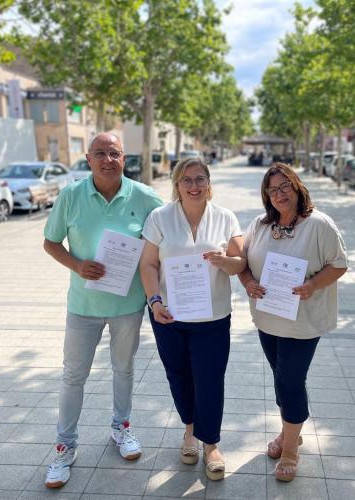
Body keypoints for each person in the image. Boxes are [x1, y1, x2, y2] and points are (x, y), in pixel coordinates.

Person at [42, 133, 163, 488]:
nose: (107, 160)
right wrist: (77, 265)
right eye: (100, 153)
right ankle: (64, 446)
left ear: (124, 158)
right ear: (88, 159)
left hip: (128, 305)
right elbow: (51, 242)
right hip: (84, 306)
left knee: (123, 369)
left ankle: (121, 428)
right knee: (73, 376)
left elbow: (168, 235)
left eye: (114, 153)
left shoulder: (145, 197)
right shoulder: (71, 195)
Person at [239, 163, 347, 482]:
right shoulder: (260, 225)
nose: (280, 193)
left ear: (297, 186)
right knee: (281, 379)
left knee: (290, 381)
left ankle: (290, 449)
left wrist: (313, 285)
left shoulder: (319, 224)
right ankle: (290, 433)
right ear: (266, 195)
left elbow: (339, 264)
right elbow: (242, 263)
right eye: (272, 189)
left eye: (285, 186)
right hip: (268, 318)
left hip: (303, 323)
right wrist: (248, 283)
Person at [140, 157, 246, 480]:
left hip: (212, 318)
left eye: (200, 179)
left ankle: (211, 443)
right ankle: (190, 430)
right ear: (177, 184)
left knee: (210, 379)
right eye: (186, 180)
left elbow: (241, 262)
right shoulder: (160, 217)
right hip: (168, 315)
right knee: (179, 375)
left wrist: (224, 261)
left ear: (209, 183)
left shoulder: (225, 217)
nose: (194, 185)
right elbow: (148, 264)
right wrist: (154, 301)